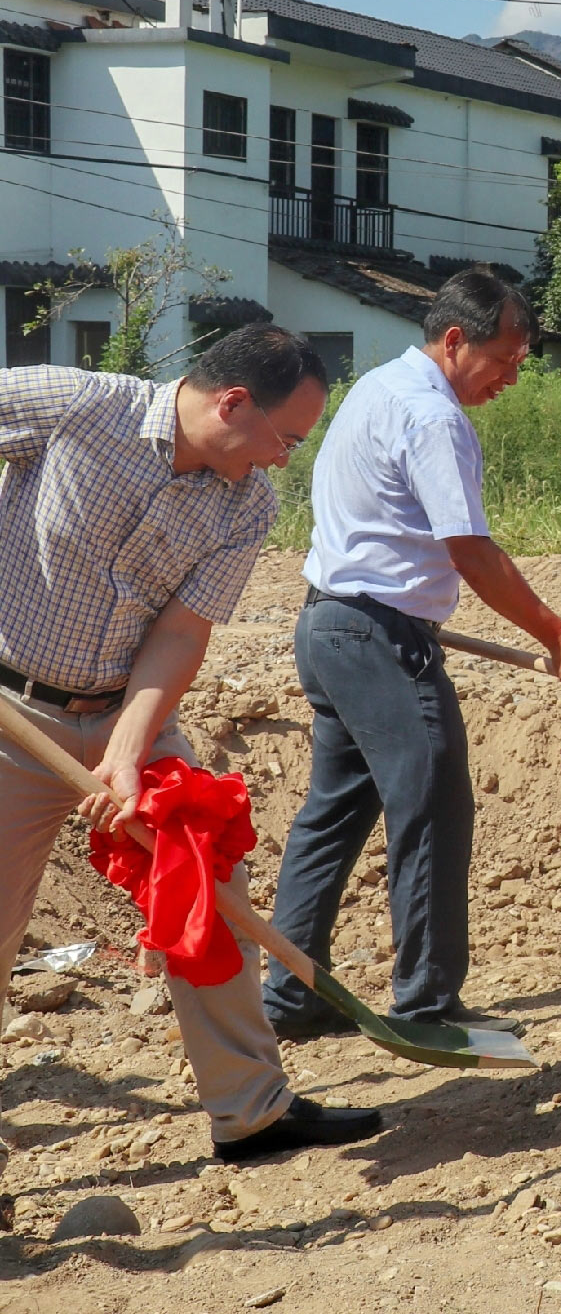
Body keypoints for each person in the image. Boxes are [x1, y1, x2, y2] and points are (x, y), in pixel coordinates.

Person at [0, 324, 380, 1173]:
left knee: (209, 884)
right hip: (11, 713)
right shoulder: (78, 408)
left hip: (126, 705)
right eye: (286, 437)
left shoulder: (245, 503)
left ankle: (250, 1113)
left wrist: (128, 749)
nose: (285, 459)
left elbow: (179, 633)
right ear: (231, 403)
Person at [262, 270, 561, 1042]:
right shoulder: (432, 416)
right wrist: (558, 634)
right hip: (376, 638)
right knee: (435, 806)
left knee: (333, 817)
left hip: (330, 626)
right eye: (504, 359)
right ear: (456, 340)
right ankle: (426, 1004)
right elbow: (469, 549)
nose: (510, 377)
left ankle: (292, 995)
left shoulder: (376, 386)